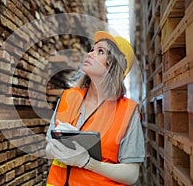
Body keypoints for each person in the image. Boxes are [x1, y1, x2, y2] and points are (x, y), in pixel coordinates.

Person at [45, 31, 145, 186]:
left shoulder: (127, 112)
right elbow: (48, 150)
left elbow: (131, 175)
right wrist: (57, 145)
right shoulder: (68, 97)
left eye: (100, 51)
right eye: (92, 49)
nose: (90, 54)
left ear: (113, 65)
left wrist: (87, 162)